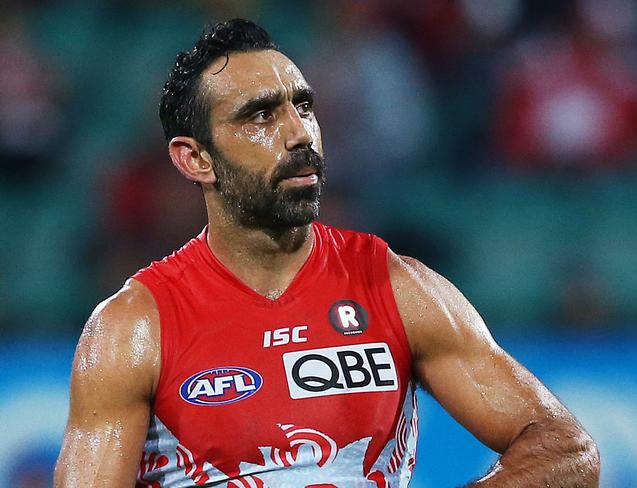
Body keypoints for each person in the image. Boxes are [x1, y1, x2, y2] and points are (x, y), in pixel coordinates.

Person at [54, 19, 599, 487]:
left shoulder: (397, 287)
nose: (299, 133)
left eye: (304, 107)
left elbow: (568, 450)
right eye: (261, 116)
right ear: (195, 159)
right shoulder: (134, 327)